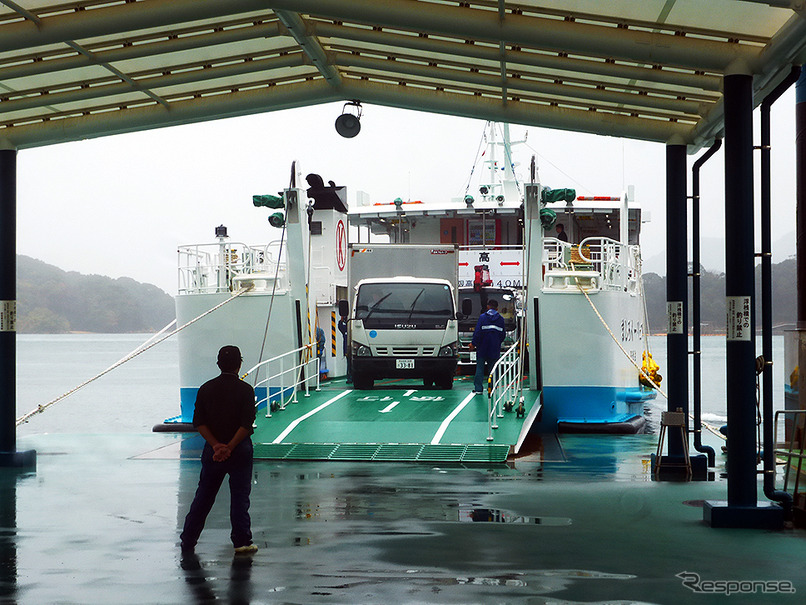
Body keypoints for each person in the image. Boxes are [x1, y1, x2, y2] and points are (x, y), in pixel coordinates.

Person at [180, 345, 258, 555]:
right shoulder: (246, 390)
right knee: (240, 498)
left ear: (218, 364)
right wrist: (230, 446)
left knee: (204, 497)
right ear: (239, 364)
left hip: (212, 452)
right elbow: (246, 424)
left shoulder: (206, 389)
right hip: (240, 450)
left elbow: (199, 423)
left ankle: (188, 540)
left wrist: (216, 445)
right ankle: (242, 542)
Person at [469, 299, 506, 394]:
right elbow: (503, 335)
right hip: (494, 348)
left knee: (480, 368)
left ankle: (478, 389)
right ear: (497, 308)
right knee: (493, 369)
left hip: (482, 348)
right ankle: (492, 388)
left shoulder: (482, 318)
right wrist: (497, 342)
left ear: (488, 307)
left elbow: (477, 333)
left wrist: (473, 344)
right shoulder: (501, 319)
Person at [338, 312, 352, 384]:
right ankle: (349, 378)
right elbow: (340, 327)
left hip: (353, 348)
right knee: (349, 364)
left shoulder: (352, 328)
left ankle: (352, 377)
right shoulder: (345, 329)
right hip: (347, 349)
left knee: (351, 363)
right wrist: (341, 320)